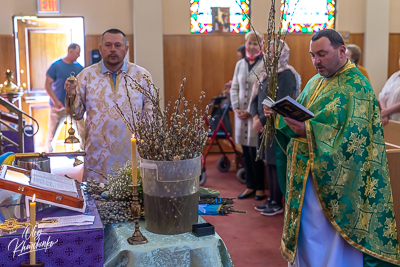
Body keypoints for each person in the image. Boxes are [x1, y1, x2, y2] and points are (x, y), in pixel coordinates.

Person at [265, 29, 400, 266]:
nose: (316, 61)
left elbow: (353, 140)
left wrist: (307, 130)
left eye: (322, 54)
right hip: (307, 179)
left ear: (341, 51)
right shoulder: (315, 82)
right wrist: (278, 116)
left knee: (331, 244)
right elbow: (304, 117)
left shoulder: (357, 87)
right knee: (308, 236)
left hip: (339, 185)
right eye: (312, 55)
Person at [66, 29, 152, 182]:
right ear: (100, 49)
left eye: (118, 45)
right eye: (108, 45)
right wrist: (71, 95)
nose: (113, 49)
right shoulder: (86, 76)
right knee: (97, 203)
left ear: (126, 49)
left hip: (132, 156)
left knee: (133, 201)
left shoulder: (142, 76)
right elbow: (76, 114)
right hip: (97, 158)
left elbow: (150, 116)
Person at [251, 40, 301, 216]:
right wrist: (255, 117)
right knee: (268, 162)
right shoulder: (266, 74)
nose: (269, 55)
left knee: (276, 163)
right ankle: (271, 198)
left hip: (275, 127)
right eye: (269, 52)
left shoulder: (286, 74)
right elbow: (256, 99)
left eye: (274, 53)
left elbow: (280, 104)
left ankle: (277, 201)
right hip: (263, 126)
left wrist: (262, 122)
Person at [231, 30, 265, 200]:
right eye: (249, 43)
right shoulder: (240, 64)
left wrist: (251, 112)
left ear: (261, 46)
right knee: (244, 152)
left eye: (255, 43)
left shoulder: (264, 64)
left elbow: (263, 92)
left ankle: (259, 187)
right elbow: (234, 87)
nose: (252, 47)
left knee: (256, 153)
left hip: (255, 116)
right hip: (240, 116)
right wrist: (236, 108)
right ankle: (249, 186)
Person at [44, 43, 85, 152]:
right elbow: (47, 85)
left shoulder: (79, 67)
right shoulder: (56, 66)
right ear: (70, 51)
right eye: (77, 53)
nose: (79, 55)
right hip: (58, 106)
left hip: (75, 106)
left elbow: (84, 86)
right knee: (51, 134)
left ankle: (86, 155)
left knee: (83, 131)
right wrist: (55, 101)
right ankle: (47, 156)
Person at [379, 56, 400, 125]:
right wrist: (384, 112)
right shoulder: (395, 75)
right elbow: (382, 95)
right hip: (386, 119)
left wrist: (387, 111)